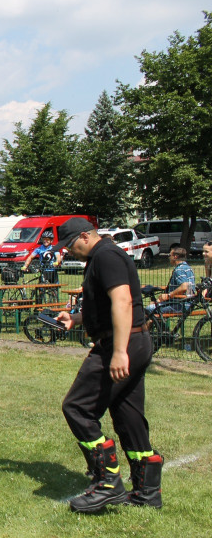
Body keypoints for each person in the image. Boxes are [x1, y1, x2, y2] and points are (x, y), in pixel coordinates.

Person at [53, 217, 161, 512]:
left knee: (77, 407)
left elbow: (123, 302)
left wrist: (118, 352)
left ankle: (108, 483)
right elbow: (105, 304)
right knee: (127, 415)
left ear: (86, 236)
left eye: (71, 245)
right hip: (131, 341)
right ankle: (147, 491)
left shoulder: (107, 255)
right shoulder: (102, 257)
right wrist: (76, 318)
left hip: (122, 343)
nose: (69, 252)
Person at [146, 246, 195, 315]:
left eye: (170, 255)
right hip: (189, 304)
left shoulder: (179, 270)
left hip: (180, 305)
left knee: (149, 309)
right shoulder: (188, 268)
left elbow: (185, 286)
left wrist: (169, 295)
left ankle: (144, 325)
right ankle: (160, 325)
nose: (169, 257)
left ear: (175, 256)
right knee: (154, 308)